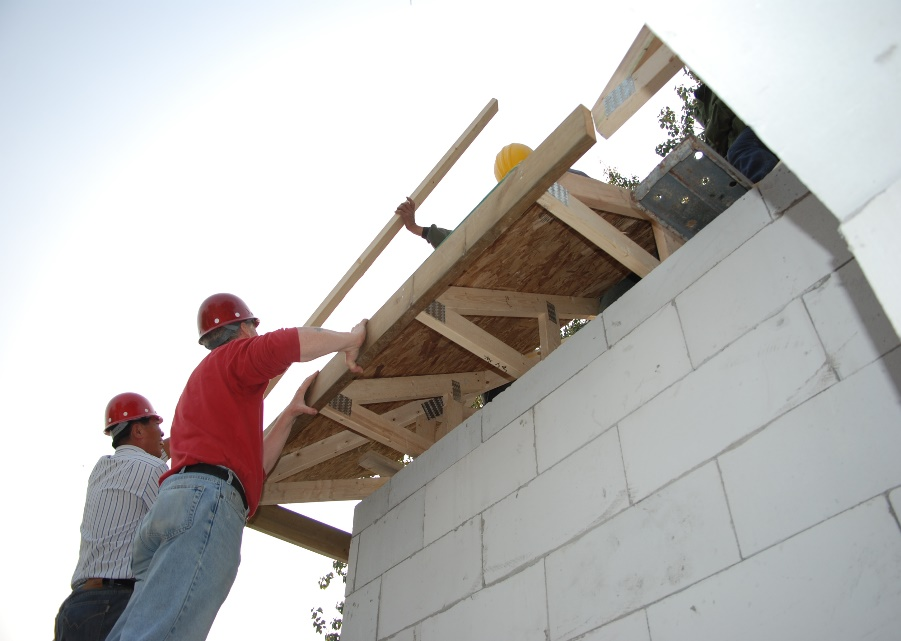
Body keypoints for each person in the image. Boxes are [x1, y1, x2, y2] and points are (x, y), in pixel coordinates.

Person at [105, 293, 367, 641]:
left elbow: (252, 470)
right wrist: (351, 339)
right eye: (253, 329)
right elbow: (287, 343)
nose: (256, 335)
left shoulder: (203, 387)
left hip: (170, 510)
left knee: (140, 630)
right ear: (243, 329)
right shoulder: (234, 357)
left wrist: (288, 415)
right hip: (205, 504)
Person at [54, 393, 169, 641]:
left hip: (76, 606)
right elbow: (174, 529)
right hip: (114, 605)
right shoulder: (154, 469)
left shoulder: (101, 468)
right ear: (138, 430)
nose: (162, 433)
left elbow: (144, 461)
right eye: (156, 425)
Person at [693, 83, 779, 183]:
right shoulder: (698, 108)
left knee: (740, 149)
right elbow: (715, 140)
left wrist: (712, 134)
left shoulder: (718, 81)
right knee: (725, 174)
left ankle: (772, 186)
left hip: (754, 123)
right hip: (735, 142)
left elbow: (723, 110)